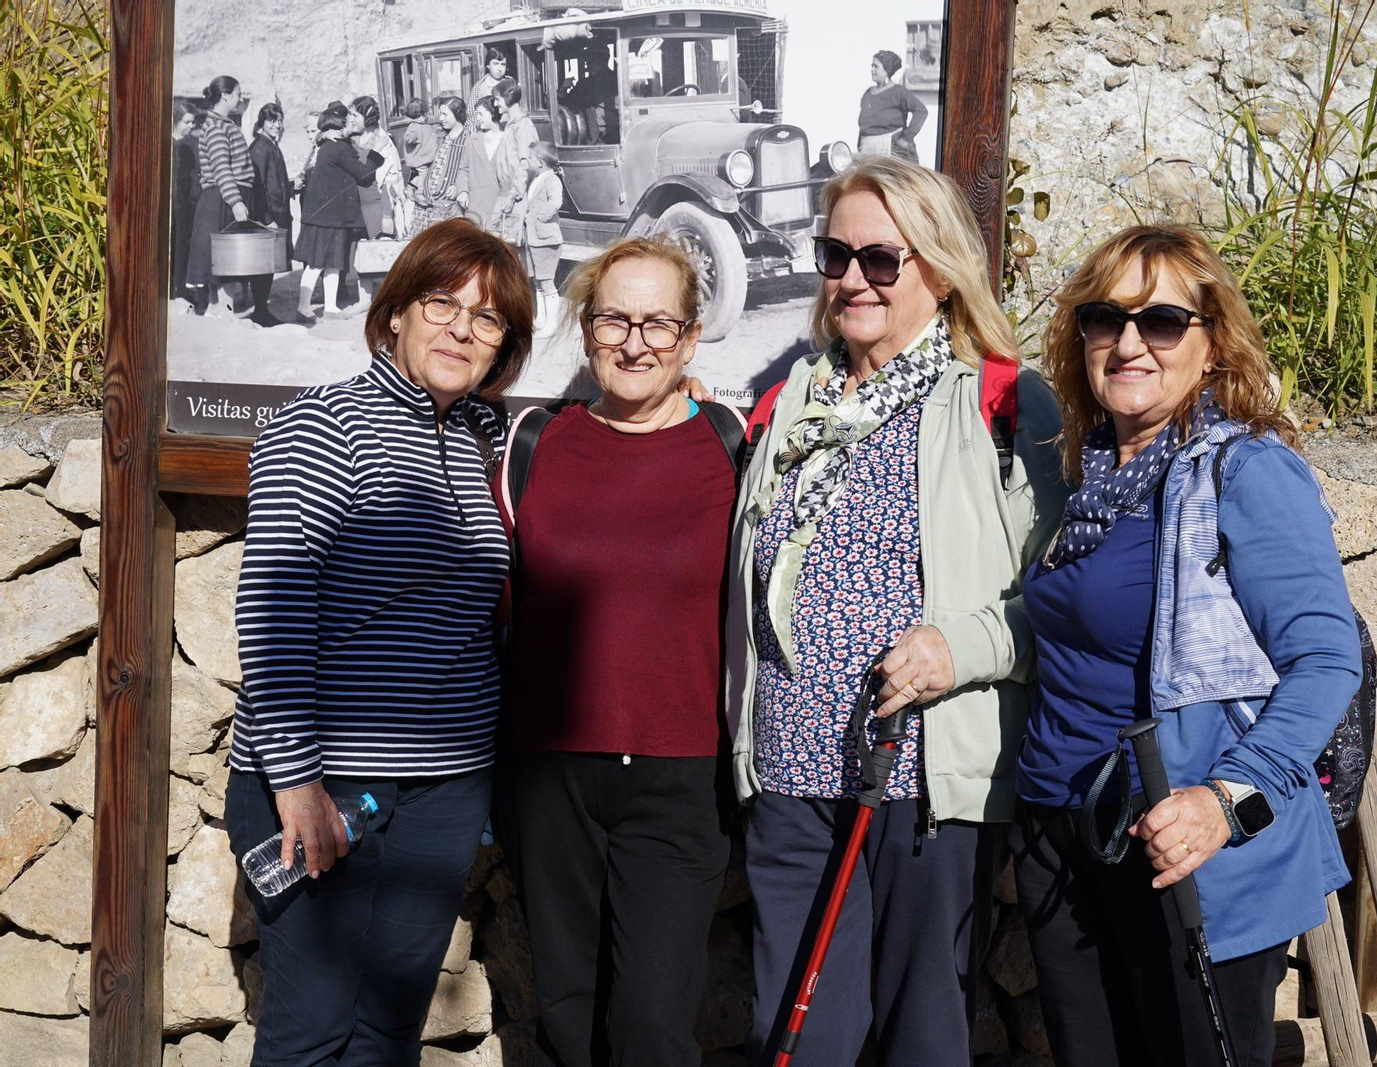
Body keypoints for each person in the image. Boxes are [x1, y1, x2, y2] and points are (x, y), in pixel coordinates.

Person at [730, 155, 1066, 1066]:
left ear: (940, 266)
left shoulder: (1001, 404)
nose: (852, 279)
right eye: (835, 254)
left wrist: (958, 648)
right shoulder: (792, 404)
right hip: (793, 774)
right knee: (797, 1037)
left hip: (922, 777)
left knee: (922, 1037)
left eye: (883, 259)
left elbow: (1060, 603)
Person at [1012, 224, 1363, 1067]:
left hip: (1186, 845)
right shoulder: (1080, 473)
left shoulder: (1242, 471)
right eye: (1105, 318)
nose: (1129, 342)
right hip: (1062, 832)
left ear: (1212, 345)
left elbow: (1327, 661)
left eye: (1162, 321)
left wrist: (1223, 802)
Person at [225, 217, 534, 1066]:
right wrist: (296, 783)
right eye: (441, 302)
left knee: (390, 1030)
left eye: (487, 317)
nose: (461, 328)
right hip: (328, 784)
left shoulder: (481, 439)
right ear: (395, 312)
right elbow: (273, 609)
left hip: (441, 790)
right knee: (312, 1026)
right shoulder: (321, 426)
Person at [493, 234, 737, 1067]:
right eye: (614, 320)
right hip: (549, 775)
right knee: (567, 1018)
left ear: (692, 337)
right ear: (587, 328)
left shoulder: (732, 446)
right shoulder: (534, 443)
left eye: (659, 324)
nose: (635, 343)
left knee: (652, 1031)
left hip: (677, 778)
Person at [294, 106, 382, 324]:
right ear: (336, 128)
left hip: (326, 216)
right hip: (328, 218)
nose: (349, 125)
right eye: (345, 123)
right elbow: (363, 175)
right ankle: (303, 307)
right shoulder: (339, 147)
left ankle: (330, 306)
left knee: (330, 262)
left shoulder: (327, 143)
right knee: (319, 263)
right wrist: (375, 154)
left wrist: (322, 134)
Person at [185, 75, 254, 314]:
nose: (240, 98)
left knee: (222, 263)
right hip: (222, 199)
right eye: (237, 93)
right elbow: (221, 167)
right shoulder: (215, 126)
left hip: (223, 196)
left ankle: (221, 313)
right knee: (225, 262)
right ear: (226, 95)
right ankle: (223, 314)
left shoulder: (224, 124)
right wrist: (235, 201)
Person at [349, 97, 405, 311]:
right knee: (363, 253)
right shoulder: (359, 138)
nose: (351, 119)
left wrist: (386, 214)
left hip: (376, 204)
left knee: (383, 253)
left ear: (367, 116)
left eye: (355, 115)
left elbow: (390, 182)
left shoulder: (383, 141)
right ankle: (364, 300)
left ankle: (393, 301)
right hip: (360, 205)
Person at [244, 101, 291, 326]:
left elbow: (275, 182)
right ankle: (260, 311)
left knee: (270, 266)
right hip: (267, 218)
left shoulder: (271, 145)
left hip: (277, 214)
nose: (277, 125)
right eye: (272, 121)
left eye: (280, 121)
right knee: (264, 265)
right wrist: (268, 219)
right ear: (262, 123)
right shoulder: (260, 148)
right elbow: (258, 187)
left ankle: (262, 310)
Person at [408, 97, 470, 235]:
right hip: (425, 203)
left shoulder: (468, 138)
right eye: (440, 114)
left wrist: (459, 186)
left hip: (448, 205)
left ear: (458, 113)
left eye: (445, 114)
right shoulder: (438, 134)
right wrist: (413, 184)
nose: (441, 118)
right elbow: (420, 157)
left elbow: (471, 169)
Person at [523, 142, 563, 336]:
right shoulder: (538, 178)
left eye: (530, 158)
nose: (527, 161)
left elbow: (555, 202)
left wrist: (540, 216)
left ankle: (552, 324)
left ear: (539, 162)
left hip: (546, 239)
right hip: (534, 239)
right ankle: (541, 319)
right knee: (539, 281)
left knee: (547, 282)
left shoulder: (551, 180)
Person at [856, 50, 926, 163]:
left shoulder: (898, 92)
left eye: (876, 66)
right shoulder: (868, 93)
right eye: (871, 66)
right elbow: (864, 127)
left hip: (891, 150)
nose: (872, 70)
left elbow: (921, 111)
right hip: (868, 151)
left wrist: (906, 138)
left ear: (886, 69)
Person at [492, 79, 538, 240]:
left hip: (516, 197)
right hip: (506, 195)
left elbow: (525, 164)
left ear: (508, 97)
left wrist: (513, 196)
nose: (495, 104)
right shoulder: (511, 125)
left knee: (513, 247)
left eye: (497, 99)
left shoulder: (523, 125)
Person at [171, 101, 200, 301]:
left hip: (188, 203)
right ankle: (173, 289)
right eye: (187, 122)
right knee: (174, 247)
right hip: (173, 204)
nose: (191, 126)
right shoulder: (169, 144)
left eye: (193, 122)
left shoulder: (191, 144)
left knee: (184, 248)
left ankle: (181, 288)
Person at [399, 97, 439, 234]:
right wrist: (411, 139)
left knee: (418, 175)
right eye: (424, 115)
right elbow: (410, 135)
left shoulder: (424, 125)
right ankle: (420, 192)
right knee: (423, 174)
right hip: (420, 161)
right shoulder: (414, 127)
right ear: (422, 114)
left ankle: (410, 188)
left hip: (424, 158)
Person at [462, 99, 504, 230]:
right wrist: (462, 191)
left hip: (499, 204)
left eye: (480, 114)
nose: (477, 118)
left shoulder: (507, 140)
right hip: (476, 203)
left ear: (493, 113)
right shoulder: (472, 141)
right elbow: (463, 169)